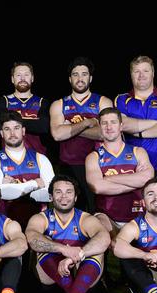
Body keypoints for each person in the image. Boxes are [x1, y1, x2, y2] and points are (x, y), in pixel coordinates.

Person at [25, 175, 110, 293]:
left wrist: (78, 254)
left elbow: (104, 239)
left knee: (97, 247)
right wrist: (63, 249)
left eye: (69, 192)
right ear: (51, 197)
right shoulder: (40, 218)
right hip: (51, 285)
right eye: (58, 192)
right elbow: (32, 239)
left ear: (76, 197)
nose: (64, 196)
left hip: (83, 280)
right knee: (43, 243)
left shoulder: (85, 218)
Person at [115, 56, 157, 217]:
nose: (141, 75)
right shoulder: (121, 99)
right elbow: (123, 125)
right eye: (136, 71)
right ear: (131, 74)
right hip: (133, 167)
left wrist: (138, 132)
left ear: (153, 73)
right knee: (136, 219)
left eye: (146, 70)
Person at [50, 57, 112, 212]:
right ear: (70, 79)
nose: (80, 78)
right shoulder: (59, 104)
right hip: (68, 166)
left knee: (96, 211)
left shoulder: (103, 102)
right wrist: (87, 123)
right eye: (75, 74)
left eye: (84, 74)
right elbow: (57, 134)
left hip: (98, 165)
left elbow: (104, 134)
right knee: (71, 212)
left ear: (90, 78)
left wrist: (69, 128)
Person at [85, 107, 154, 237]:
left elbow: (147, 178)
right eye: (104, 123)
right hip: (108, 216)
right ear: (99, 127)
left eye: (113, 122)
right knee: (98, 227)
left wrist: (108, 179)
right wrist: (134, 180)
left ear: (121, 126)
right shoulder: (93, 157)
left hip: (138, 215)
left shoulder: (138, 152)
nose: (109, 127)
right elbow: (98, 187)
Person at [0, 111, 53, 229]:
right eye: (7, 129)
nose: (12, 133)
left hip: (40, 225)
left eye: (16, 128)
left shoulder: (41, 159)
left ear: (23, 131)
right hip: (6, 226)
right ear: (1, 133)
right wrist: (35, 184)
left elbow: (51, 194)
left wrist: (14, 187)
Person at [0, 62, 51, 155]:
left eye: (26, 74)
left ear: (32, 78)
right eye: (18, 75)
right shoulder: (3, 101)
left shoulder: (42, 102)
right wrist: (34, 123)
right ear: (12, 79)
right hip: (9, 158)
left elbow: (44, 127)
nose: (22, 78)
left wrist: (11, 122)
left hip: (37, 156)